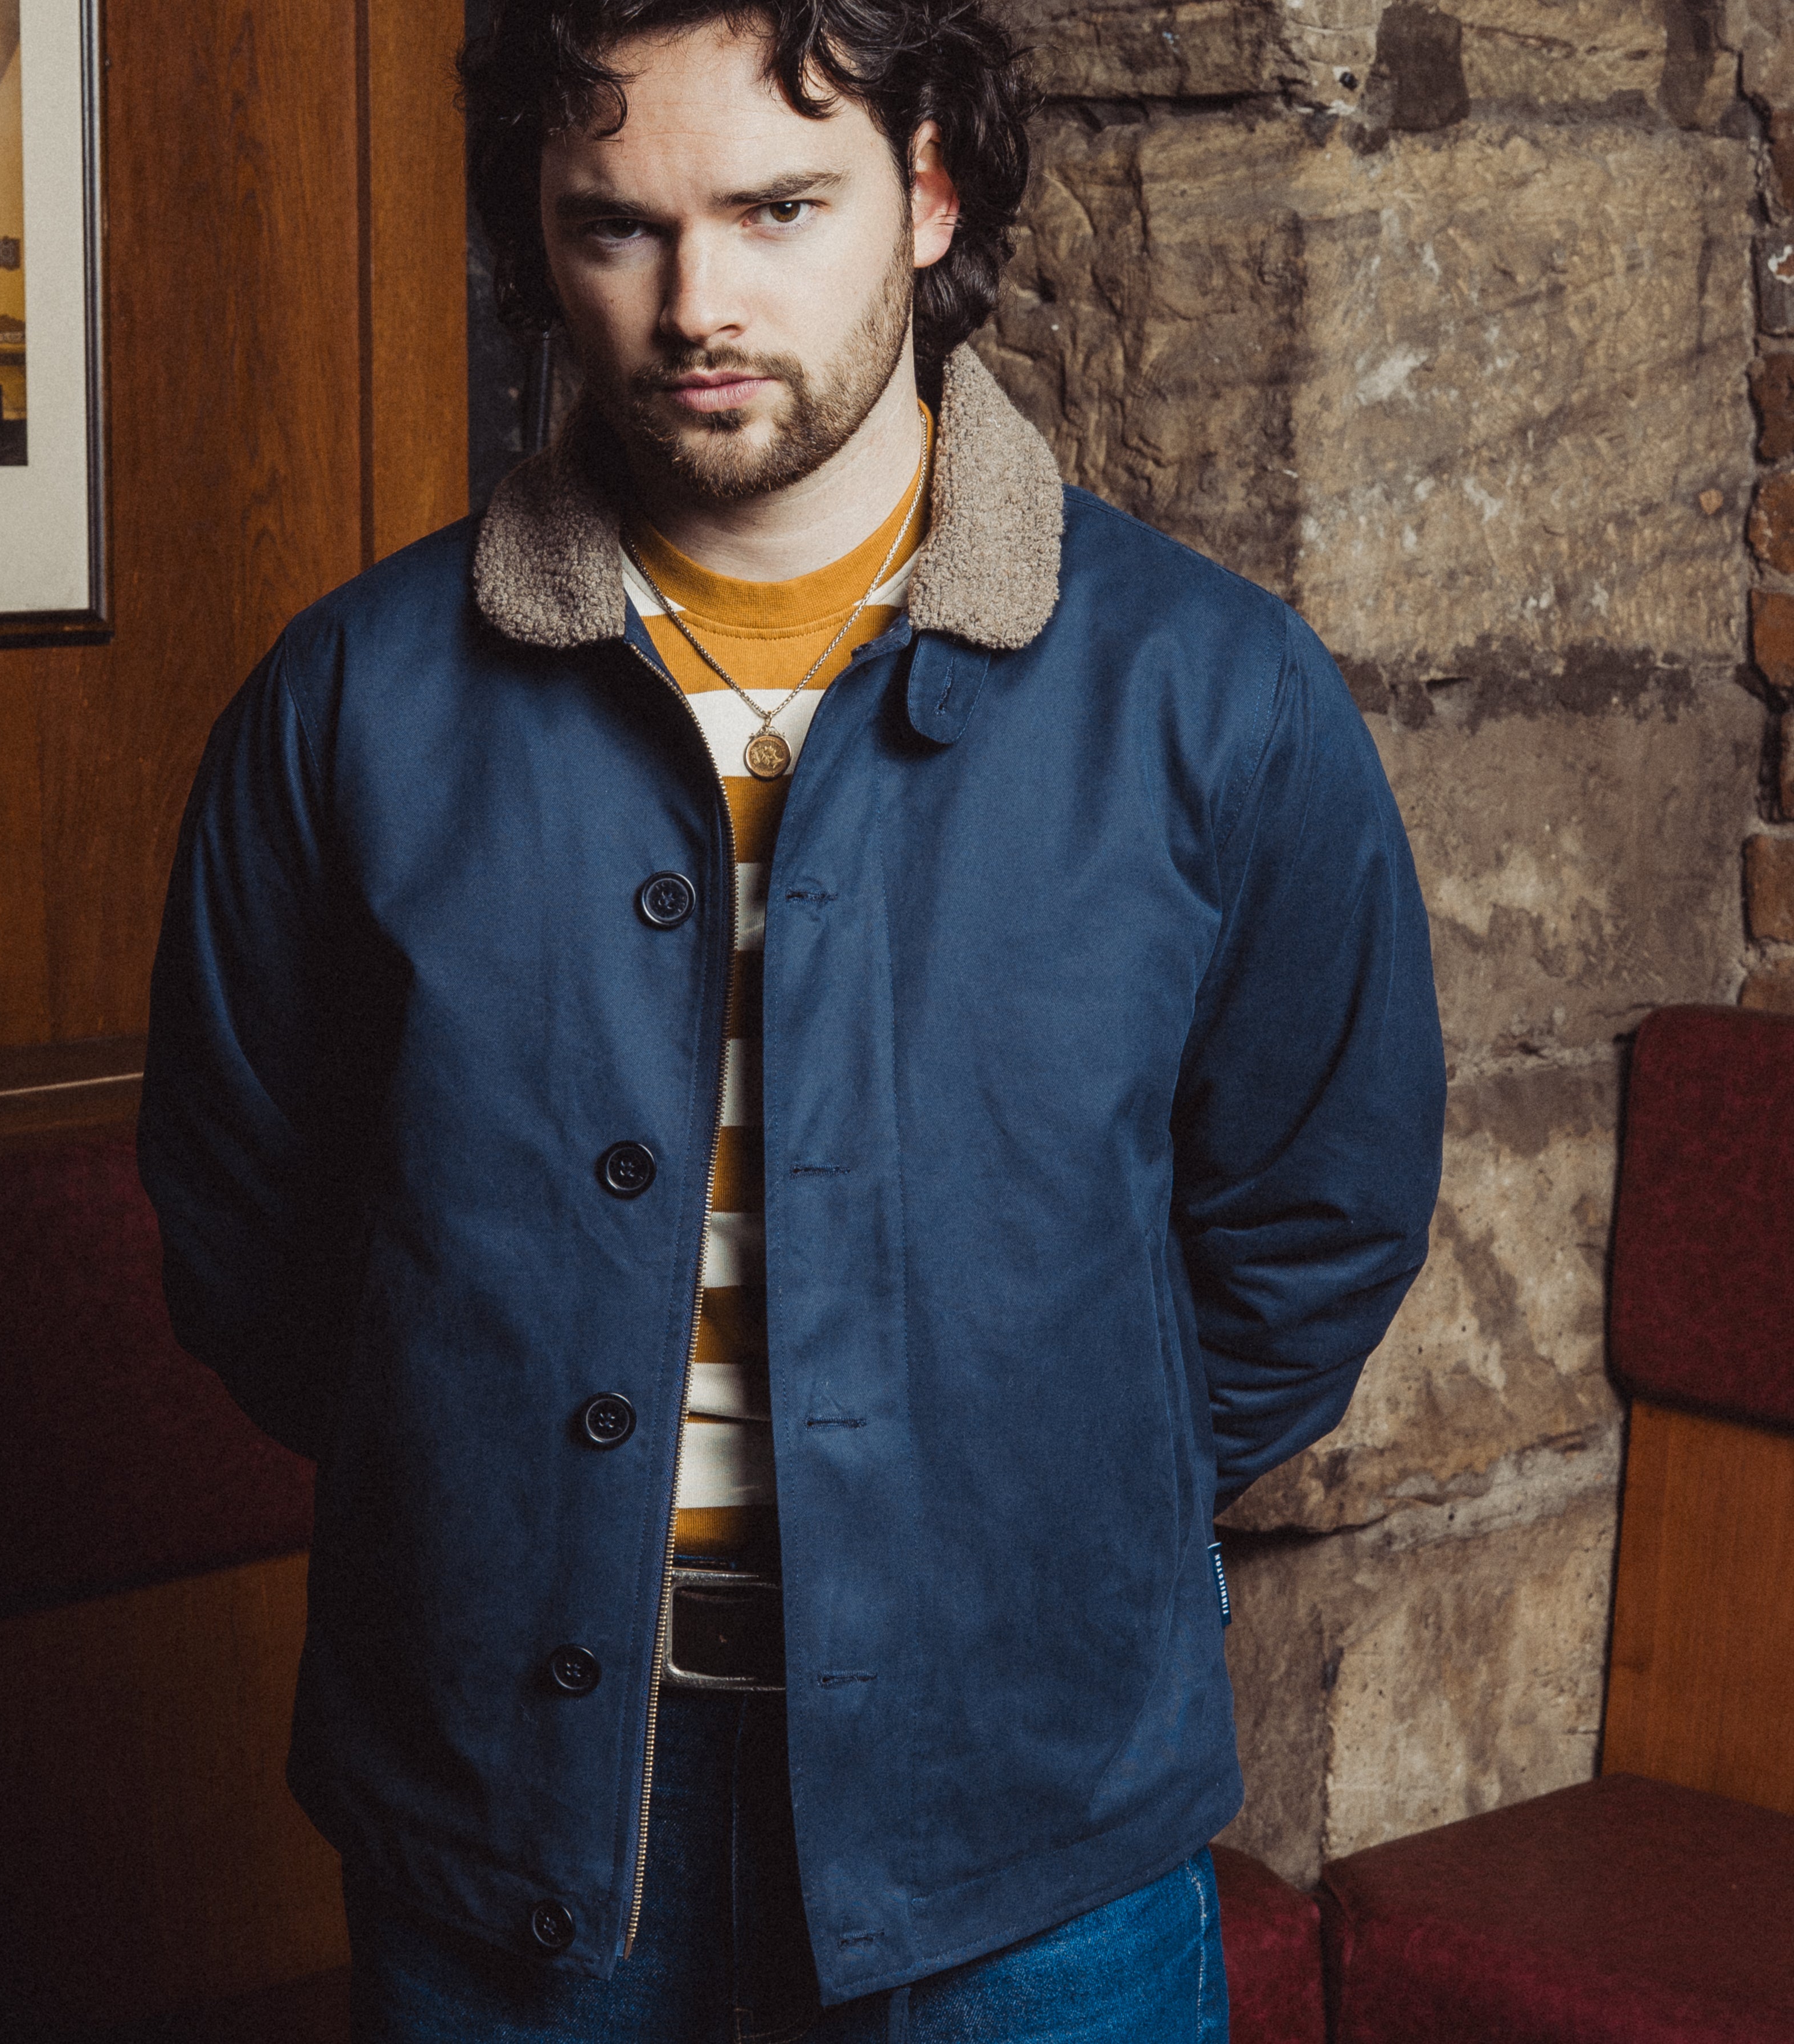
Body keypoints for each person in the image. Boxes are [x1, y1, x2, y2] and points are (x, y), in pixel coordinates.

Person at [138, 1, 1445, 2037]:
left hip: (1034, 1824)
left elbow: (1317, 1219)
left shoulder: (1220, 701)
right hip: (510, 1810)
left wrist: (1045, 1507)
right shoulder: (346, 706)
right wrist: (489, 1479)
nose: (694, 304)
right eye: (617, 227)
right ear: (540, 236)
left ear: (927, 191)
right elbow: (257, 1240)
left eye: (776, 208)